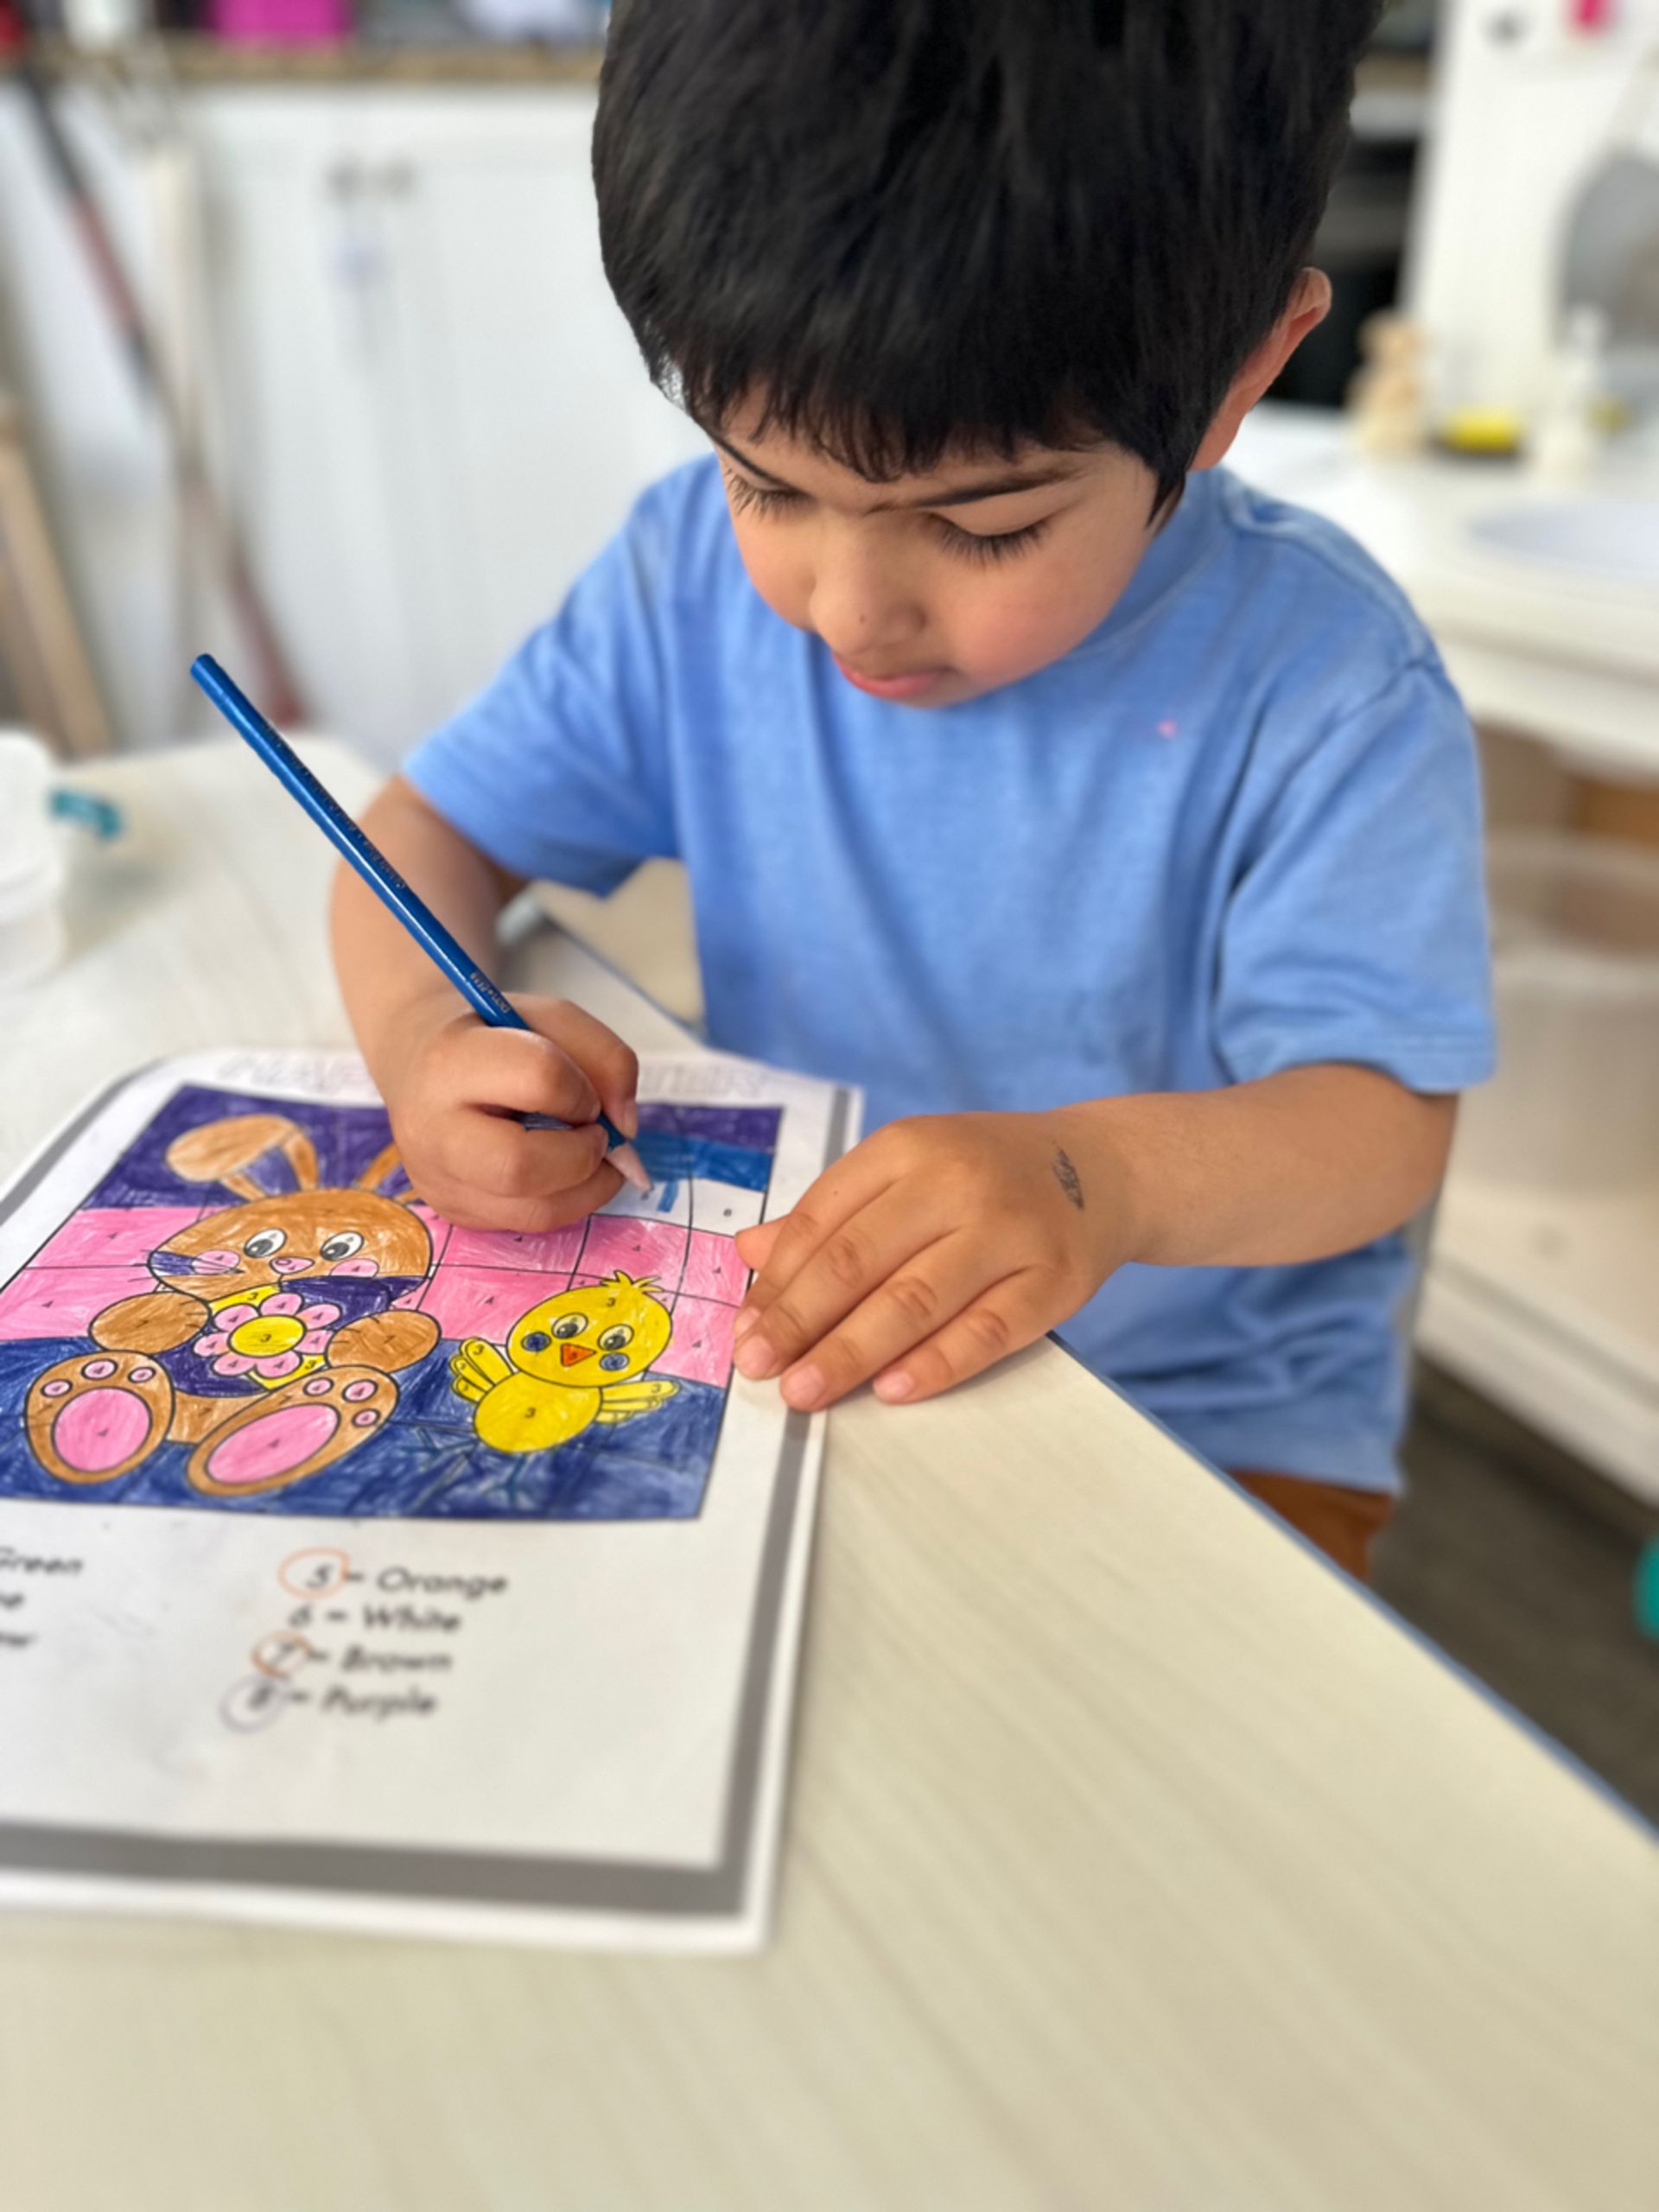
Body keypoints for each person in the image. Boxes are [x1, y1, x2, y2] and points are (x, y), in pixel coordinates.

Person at [331, 0, 1492, 1579]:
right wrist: (426, 1043)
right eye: (769, 484)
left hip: (1201, 1426)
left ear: (1240, 376)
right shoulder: (684, 581)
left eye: (985, 525)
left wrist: (1094, 1180)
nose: (848, 610)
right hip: (795, 1355)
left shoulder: (1328, 683)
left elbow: (1379, 1130)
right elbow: (421, 840)